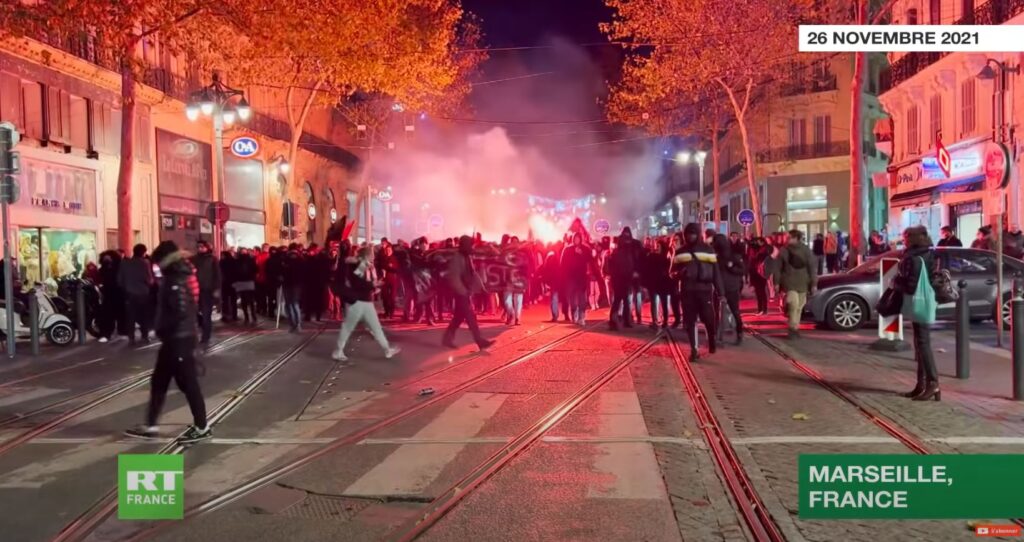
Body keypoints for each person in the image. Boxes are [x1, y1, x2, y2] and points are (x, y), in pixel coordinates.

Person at [124, 240, 210, 443]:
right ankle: (151, 425)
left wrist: (163, 327)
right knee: (159, 381)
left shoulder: (175, 280)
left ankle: (202, 426)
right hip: (176, 338)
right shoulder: (180, 275)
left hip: (178, 339)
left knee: (188, 384)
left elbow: (180, 310)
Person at [892, 225, 940, 401]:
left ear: (912, 238)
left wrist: (896, 284)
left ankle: (932, 383)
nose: (903, 239)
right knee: (920, 343)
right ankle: (922, 385)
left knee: (923, 343)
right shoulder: (927, 252)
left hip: (918, 301)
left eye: (905, 236)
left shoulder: (914, 257)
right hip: (925, 300)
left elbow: (911, 284)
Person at [332, 246, 401, 362]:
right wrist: (373, 284)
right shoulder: (360, 265)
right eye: (371, 254)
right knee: (349, 327)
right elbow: (357, 282)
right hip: (359, 301)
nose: (373, 257)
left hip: (365, 301)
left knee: (375, 327)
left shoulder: (365, 265)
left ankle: (387, 349)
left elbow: (362, 281)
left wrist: (374, 284)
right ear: (366, 255)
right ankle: (338, 351)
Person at [674, 223, 723, 359]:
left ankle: (711, 339)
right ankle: (694, 349)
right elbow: (672, 272)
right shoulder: (680, 252)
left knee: (708, 319)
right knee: (690, 321)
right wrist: (680, 273)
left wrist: (721, 292)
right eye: (688, 234)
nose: (690, 237)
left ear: (698, 234)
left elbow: (716, 272)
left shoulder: (708, 250)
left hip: (704, 290)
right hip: (687, 291)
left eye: (693, 234)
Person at [442, 235, 494, 350]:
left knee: (458, 318)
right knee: (471, 317)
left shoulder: (466, 256)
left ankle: (447, 338)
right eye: (469, 244)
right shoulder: (457, 257)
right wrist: (462, 291)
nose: (471, 246)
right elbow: (454, 277)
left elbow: (473, 273)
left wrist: (481, 287)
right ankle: (479, 340)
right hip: (461, 292)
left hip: (466, 291)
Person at [776, 229, 817, 339]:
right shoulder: (784, 250)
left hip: (803, 282)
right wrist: (776, 282)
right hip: (789, 282)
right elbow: (778, 267)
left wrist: (813, 283)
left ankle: (795, 328)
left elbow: (812, 267)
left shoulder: (806, 250)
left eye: (790, 237)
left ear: (797, 238)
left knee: (799, 307)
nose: (787, 239)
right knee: (793, 304)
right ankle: (792, 329)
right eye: (787, 237)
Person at [118, 244, 154, 345]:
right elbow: (149, 280)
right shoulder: (145, 263)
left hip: (129, 293)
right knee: (144, 316)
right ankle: (144, 336)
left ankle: (131, 338)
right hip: (143, 293)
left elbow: (120, 280)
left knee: (131, 316)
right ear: (143, 252)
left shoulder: (124, 263)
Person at [712, 234, 745, 345]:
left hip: (725, 288)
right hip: (728, 287)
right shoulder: (722, 256)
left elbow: (742, 270)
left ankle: (720, 334)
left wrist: (731, 267)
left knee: (728, 311)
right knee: (733, 311)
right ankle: (737, 334)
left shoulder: (727, 256)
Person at [606, 229, 638, 330]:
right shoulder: (622, 253)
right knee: (623, 300)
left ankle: (616, 320)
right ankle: (622, 320)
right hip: (622, 280)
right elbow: (627, 266)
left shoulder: (616, 253)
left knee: (619, 300)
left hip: (620, 280)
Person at [191, 241, 220, 346]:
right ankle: (201, 332)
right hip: (195, 290)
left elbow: (217, 275)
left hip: (207, 291)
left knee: (206, 314)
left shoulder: (212, 259)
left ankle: (205, 336)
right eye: (198, 247)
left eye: (202, 247)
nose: (200, 249)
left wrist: (216, 289)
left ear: (207, 248)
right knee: (195, 314)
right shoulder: (193, 259)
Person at [560, 233, 592, 326]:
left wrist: (581, 254)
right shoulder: (567, 249)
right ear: (573, 239)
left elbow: (590, 259)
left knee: (582, 297)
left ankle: (582, 316)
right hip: (570, 277)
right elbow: (563, 263)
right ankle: (574, 314)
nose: (577, 240)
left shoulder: (585, 249)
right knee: (572, 298)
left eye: (578, 238)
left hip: (581, 277)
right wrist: (564, 275)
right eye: (575, 238)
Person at [643, 238, 672, 330]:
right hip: (653, 283)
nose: (656, 247)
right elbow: (647, 269)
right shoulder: (651, 256)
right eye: (656, 245)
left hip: (663, 283)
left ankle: (665, 321)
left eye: (658, 246)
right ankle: (654, 320)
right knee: (654, 302)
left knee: (663, 303)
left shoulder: (666, 257)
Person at [97, 250, 124, 343]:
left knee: (120, 313)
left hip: (118, 293)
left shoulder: (119, 267)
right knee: (108, 314)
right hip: (108, 294)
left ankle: (122, 331)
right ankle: (106, 333)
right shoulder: (104, 269)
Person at [281, 243, 305, 332]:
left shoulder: (285, 259)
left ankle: (292, 324)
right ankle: (298, 324)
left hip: (287, 283)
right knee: (295, 304)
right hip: (297, 284)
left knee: (289, 304)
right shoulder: (300, 258)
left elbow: (281, 270)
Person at [234, 247, 258, 325]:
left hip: (247, 281)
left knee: (249, 300)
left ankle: (252, 317)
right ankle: (248, 317)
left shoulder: (249, 260)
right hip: (243, 282)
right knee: (245, 300)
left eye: (244, 251)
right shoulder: (239, 261)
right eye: (242, 252)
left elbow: (255, 269)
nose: (244, 253)